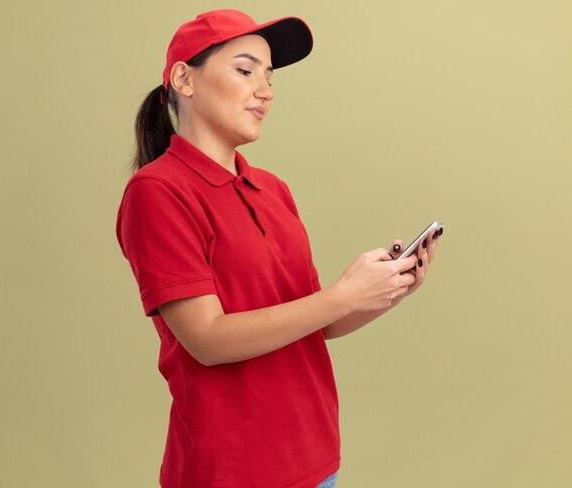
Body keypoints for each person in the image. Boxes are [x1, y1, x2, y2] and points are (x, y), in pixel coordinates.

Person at [115, 9, 441, 488]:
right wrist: (344, 294)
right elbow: (206, 340)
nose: (265, 90)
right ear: (183, 78)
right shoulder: (157, 191)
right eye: (245, 70)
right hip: (233, 470)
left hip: (315, 457)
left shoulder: (273, 189)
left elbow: (314, 323)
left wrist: (386, 289)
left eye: (269, 76)